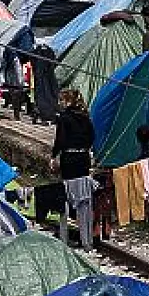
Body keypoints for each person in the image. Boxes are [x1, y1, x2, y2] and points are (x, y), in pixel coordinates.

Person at [53, 88, 96, 251]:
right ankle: (87, 241)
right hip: (83, 159)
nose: (60, 103)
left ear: (68, 101)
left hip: (69, 159)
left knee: (65, 198)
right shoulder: (86, 118)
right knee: (85, 200)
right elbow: (92, 138)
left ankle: (64, 238)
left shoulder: (64, 119)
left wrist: (53, 156)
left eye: (62, 100)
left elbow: (60, 140)